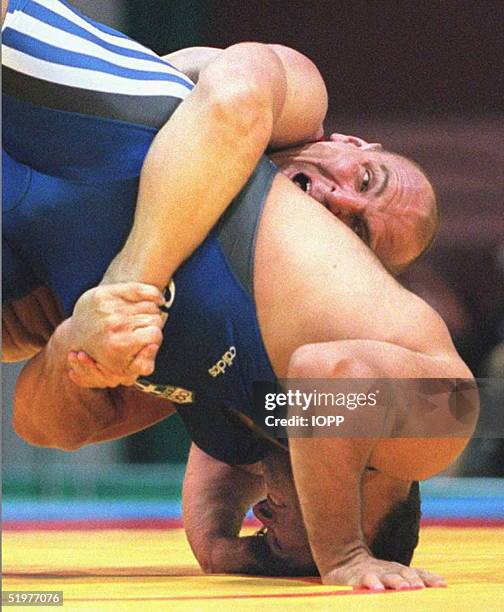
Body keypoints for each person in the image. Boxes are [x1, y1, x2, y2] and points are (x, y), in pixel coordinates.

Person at [5, 0, 477, 591]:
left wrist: (218, 544)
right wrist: (344, 555)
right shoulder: (444, 423)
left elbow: (41, 424)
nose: (262, 523)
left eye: (271, 548)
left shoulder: (256, 416)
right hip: (114, 134)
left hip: (35, 234)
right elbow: (327, 376)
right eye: (279, 542)